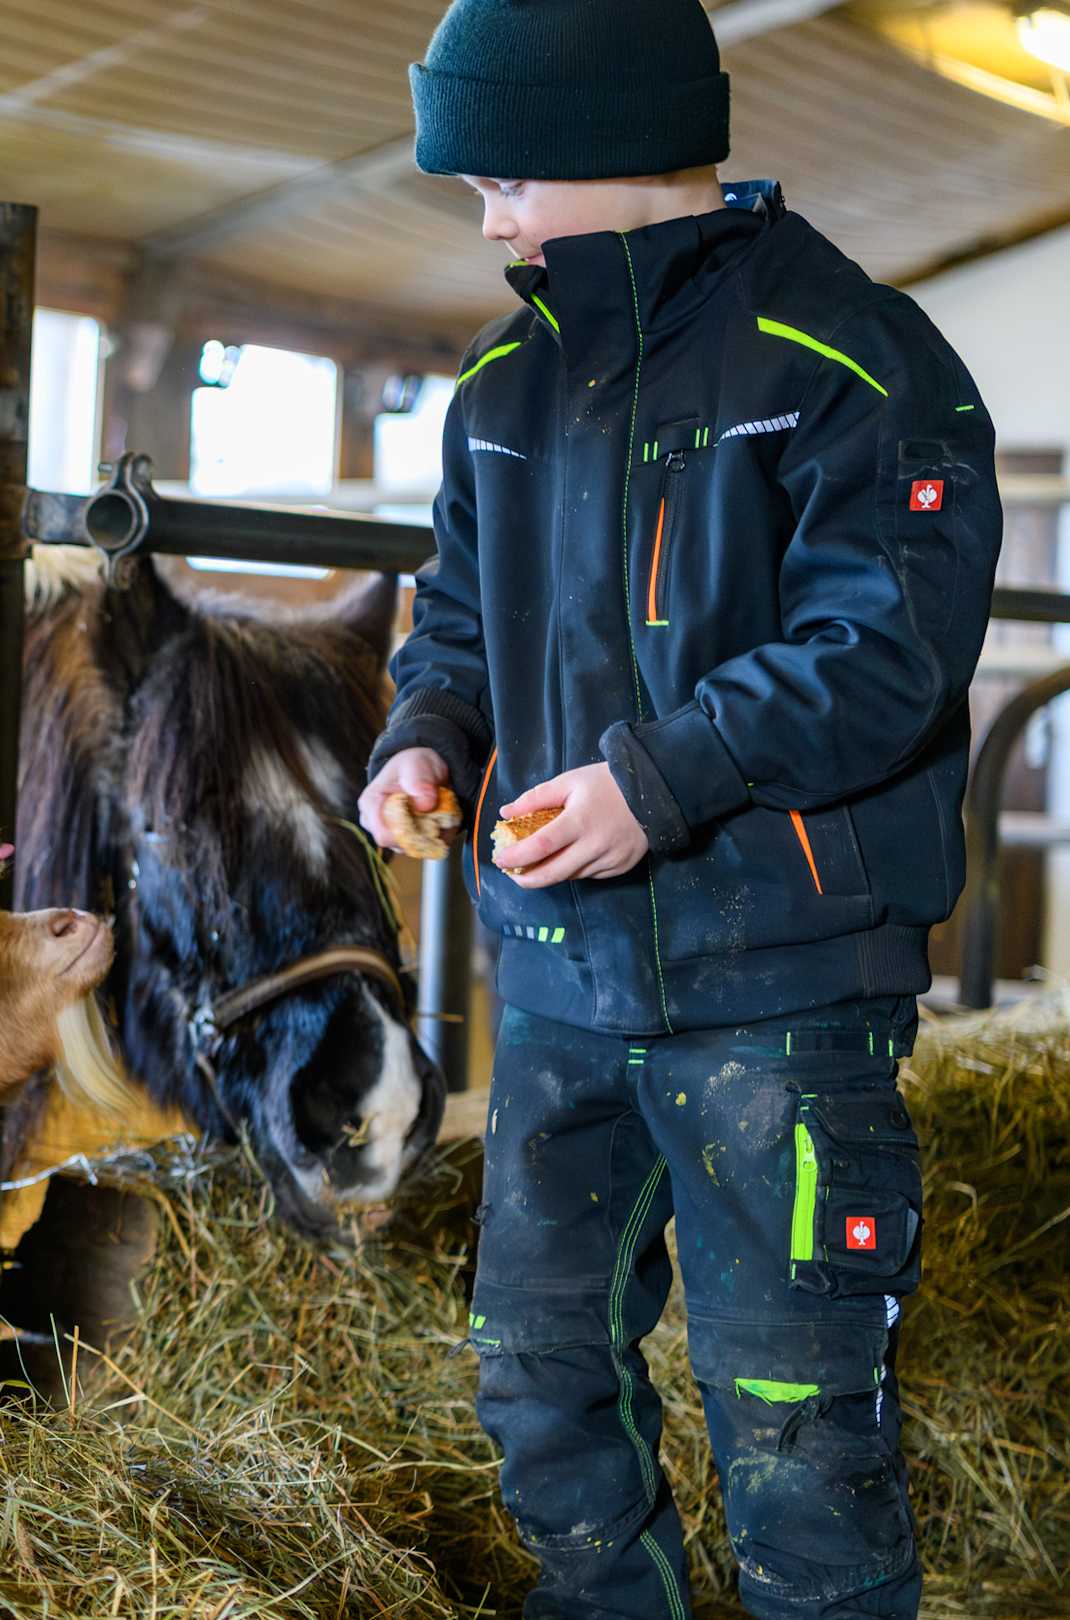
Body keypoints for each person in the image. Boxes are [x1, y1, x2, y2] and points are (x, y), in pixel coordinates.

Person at [357, 2, 1002, 1615]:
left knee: (790, 1417)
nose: (487, 223)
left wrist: (658, 782)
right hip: (558, 980)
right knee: (534, 1371)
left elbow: (887, 649)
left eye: (501, 182)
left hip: (776, 991)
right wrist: (423, 737)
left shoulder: (845, 357)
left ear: (602, 146)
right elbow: (456, 619)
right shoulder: (501, 380)